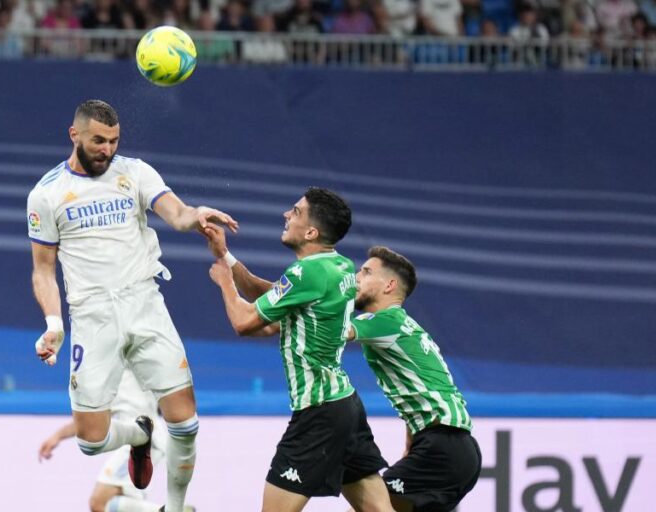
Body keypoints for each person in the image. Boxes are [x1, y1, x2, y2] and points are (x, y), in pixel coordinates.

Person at [28, 99, 237, 512]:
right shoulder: (46, 194)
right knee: (91, 441)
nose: (107, 149)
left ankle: (174, 508)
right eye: (98, 141)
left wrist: (196, 215)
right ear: (74, 135)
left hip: (144, 304)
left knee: (185, 421)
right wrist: (53, 323)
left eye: (114, 140)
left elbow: (176, 213)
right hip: (91, 316)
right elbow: (43, 271)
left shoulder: (135, 172)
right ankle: (140, 433)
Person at [202, 188, 392, 512]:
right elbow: (275, 298)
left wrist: (225, 282)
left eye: (296, 212)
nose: (286, 215)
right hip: (345, 405)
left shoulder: (307, 273)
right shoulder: (340, 265)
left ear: (311, 232)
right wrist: (226, 256)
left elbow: (244, 322)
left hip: (318, 413)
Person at [347, 246, 481, 512]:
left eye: (366, 272)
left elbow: (328, 332)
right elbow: (424, 387)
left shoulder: (385, 321)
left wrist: (286, 298)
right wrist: (411, 444)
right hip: (458, 449)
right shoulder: (405, 325)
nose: (356, 277)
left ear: (389, 285)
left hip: (442, 448)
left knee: (367, 506)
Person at [39, 369, 197, 512]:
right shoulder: (116, 372)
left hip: (141, 441)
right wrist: (57, 436)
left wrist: (57, 436)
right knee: (117, 505)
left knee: (99, 503)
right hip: (143, 438)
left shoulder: (124, 363)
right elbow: (90, 421)